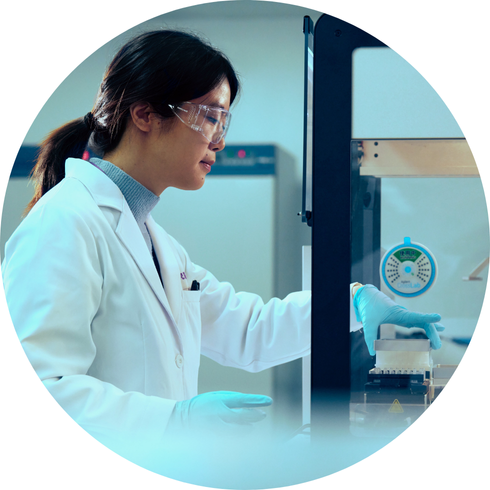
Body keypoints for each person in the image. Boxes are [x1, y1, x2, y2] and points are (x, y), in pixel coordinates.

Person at [2, 30, 444, 454]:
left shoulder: (156, 241)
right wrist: (173, 421)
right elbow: (41, 390)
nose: (220, 139)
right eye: (209, 115)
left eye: (223, 119)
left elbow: (247, 330)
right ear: (144, 115)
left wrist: (353, 301)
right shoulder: (63, 224)